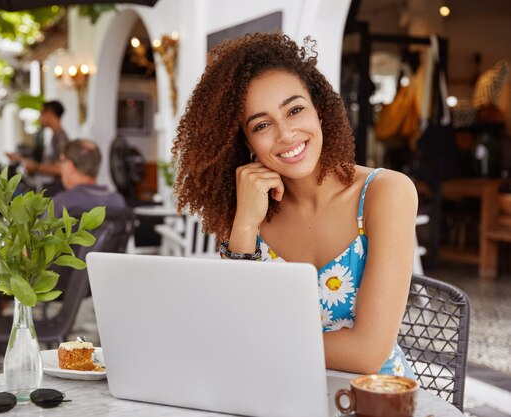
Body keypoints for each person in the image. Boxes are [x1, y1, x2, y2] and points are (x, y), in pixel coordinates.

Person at [172, 33, 418, 378]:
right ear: (246, 142)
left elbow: (366, 353)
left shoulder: (385, 193)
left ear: (319, 110)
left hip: (373, 400)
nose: (285, 134)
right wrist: (243, 226)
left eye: (295, 110)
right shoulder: (248, 209)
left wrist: (255, 345)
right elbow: (232, 326)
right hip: (276, 394)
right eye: (262, 124)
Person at [0, 138, 125, 316]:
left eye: (61, 162)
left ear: (70, 165)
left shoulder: (64, 201)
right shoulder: (118, 201)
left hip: (50, 281)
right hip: (92, 282)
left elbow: (29, 247)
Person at [7, 100, 69, 196]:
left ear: (50, 113)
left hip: (56, 190)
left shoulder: (61, 139)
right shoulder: (55, 137)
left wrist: (35, 167)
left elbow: (59, 169)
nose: (40, 118)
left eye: (42, 113)